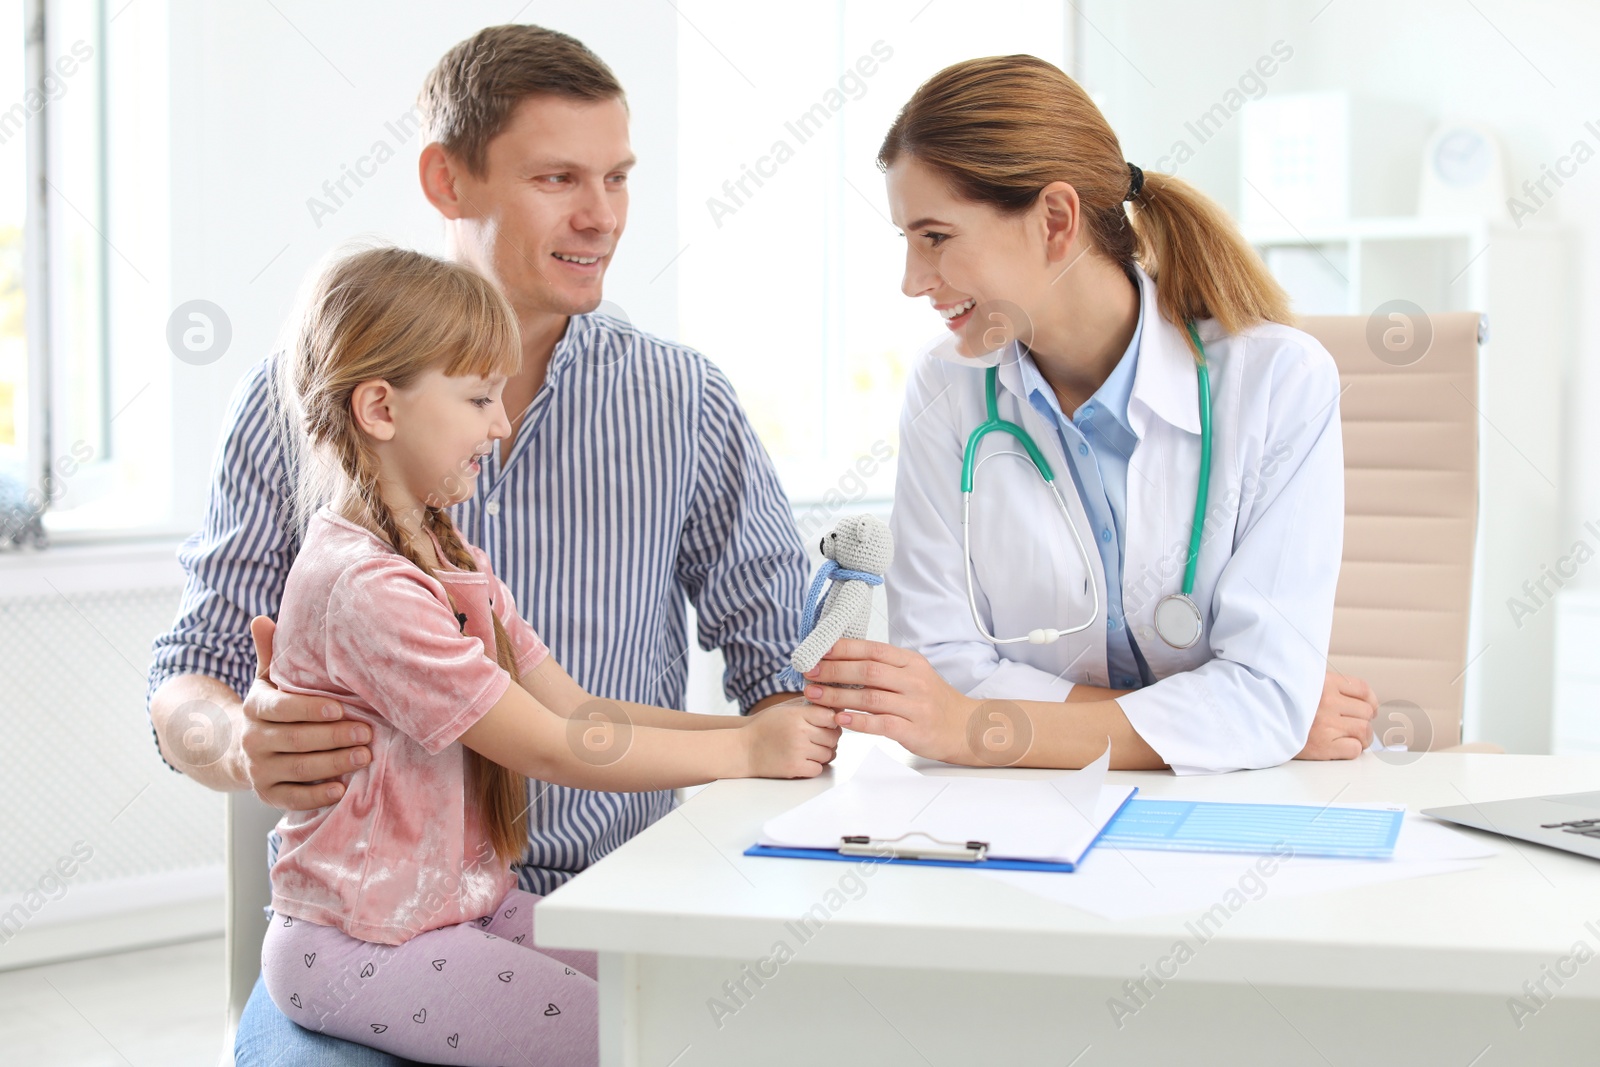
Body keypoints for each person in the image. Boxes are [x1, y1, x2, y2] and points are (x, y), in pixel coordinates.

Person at [144, 25, 811, 1065]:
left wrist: (814, 731)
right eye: (557, 177)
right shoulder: (297, 407)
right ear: (444, 179)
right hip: (375, 934)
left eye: (618, 177)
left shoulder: (684, 403)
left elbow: (784, 677)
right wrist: (233, 740)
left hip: (602, 896)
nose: (602, 215)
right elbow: (191, 673)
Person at [256, 246, 836, 1066]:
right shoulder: (365, 588)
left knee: (682, 991)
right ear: (380, 408)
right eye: (479, 398)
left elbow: (580, 711)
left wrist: (755, 744)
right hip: (363, 943)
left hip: (462, 907)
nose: (500, 423)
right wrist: (743, 748)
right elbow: (550, 746)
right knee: (630, 1039)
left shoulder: (451, 557)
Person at [799, 55, 1378, 773]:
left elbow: (1259, 698)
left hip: (1229, 818)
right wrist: (1222, 722)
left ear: (1055, 219)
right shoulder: (948, 388)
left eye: (936, 238)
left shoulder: (1279, 383)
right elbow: (941, 673)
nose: (913, 281)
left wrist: (977, 725)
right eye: (907, 242)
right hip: (1027, 811)